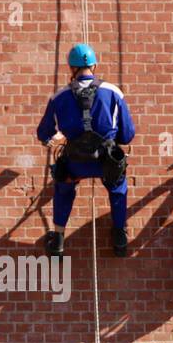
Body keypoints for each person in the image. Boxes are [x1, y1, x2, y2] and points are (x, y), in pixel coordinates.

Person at [36, 43, 136, 257]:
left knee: (63, 187)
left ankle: (59, 238)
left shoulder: (59, 96)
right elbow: (127, 134)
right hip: (106, 161)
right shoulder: (113, 92)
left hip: (75, 162)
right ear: (94, 65)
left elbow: (43, 133)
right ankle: (120, 234)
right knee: (118, 187)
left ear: (70, 68)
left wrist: (54, 139)